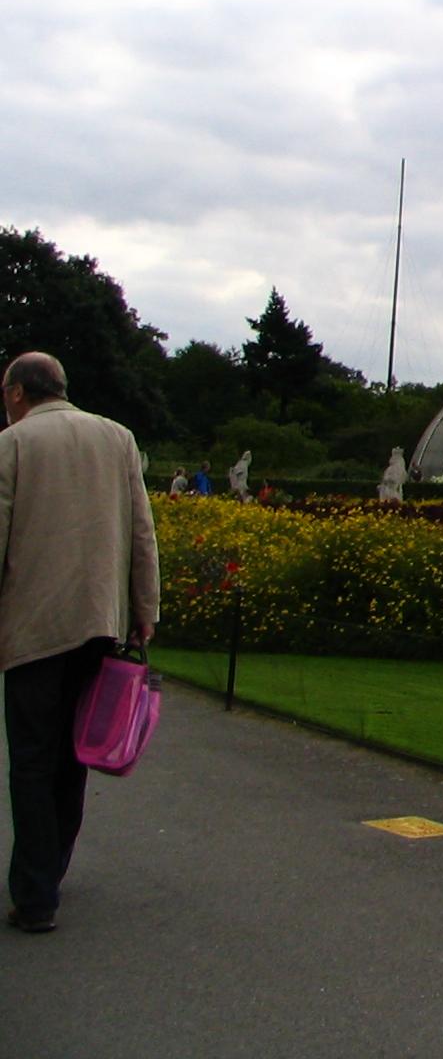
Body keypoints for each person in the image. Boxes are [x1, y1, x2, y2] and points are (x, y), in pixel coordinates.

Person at [0, 352, 160, 934]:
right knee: (73, 757)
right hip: (99, 623)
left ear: (18, 393)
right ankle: (50, 872)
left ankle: (36, 893)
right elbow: (141, 531)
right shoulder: (117, 438)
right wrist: (145, 609)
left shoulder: (12, 444)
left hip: (33, 627)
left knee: (31, 760)